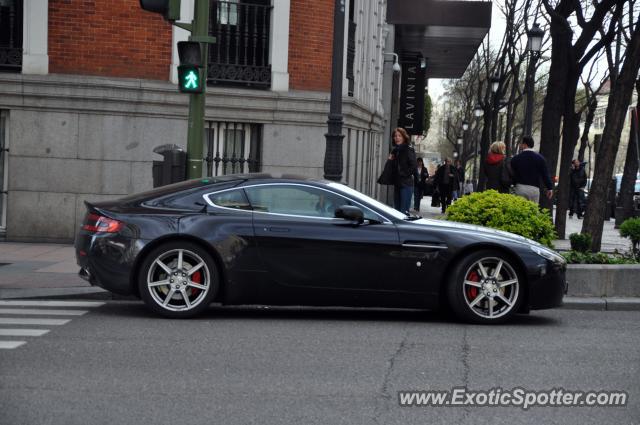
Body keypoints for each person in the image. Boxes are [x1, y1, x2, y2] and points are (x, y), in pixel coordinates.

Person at [510, 135, 553, 203]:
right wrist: (549, 188)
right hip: (534, 189)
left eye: (521, 143)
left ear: (525, 144)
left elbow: (512, 173)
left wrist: (513, 183)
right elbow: (545, 175)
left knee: (519, 211)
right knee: (533, 212)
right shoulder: (540, 158)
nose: (520, 145)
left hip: (520, 188)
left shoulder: (516, 159)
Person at [389, 127, 417, 214]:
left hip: (406, 184)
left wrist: (403, 174)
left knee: (403, 212)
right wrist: (390, 160)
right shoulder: (395, 151)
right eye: (395, 136)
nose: (397, 138)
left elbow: (413, 166)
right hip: (398, 183)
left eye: (399, 136)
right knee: (397, 211)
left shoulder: (408, 149)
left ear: (404, 137)